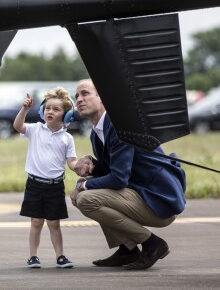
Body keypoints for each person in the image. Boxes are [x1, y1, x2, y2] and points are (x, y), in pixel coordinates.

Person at [70, 79, 186, 270]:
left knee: (86, 199)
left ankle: (152, 243)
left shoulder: (119, 127)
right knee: (88, 187)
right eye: (76, 96)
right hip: (140, 194)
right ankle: (127, 249)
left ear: (103, 99)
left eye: (85, 93)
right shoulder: (97, 132)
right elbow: (113, 170)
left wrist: (81, 186)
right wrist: (92, 168)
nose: (79, 100)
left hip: (159, 200)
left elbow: (119, 179)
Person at [14, 87, 83, 269]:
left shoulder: (67, 138)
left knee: (54, 223)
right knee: (36, 222)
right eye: (48, 108)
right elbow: (17, 126)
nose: (50, 111)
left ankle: (60, 256)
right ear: (42, 111)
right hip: (35, 184)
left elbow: (71, 161)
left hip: (55, 186)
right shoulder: (35, 129)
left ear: (67, 116)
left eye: (56, 109)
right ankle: (33, 257)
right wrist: (24, 109)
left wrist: (79, 167)